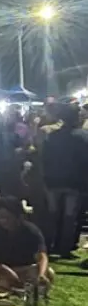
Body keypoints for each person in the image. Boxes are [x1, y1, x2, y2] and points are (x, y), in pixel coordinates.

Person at [41, 103, 88, 257]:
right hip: (74, 183)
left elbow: (45, 159)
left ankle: (49, 245)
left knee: (53, 215)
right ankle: (65, 248)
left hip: (53, 181)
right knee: (69, 217)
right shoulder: (82, 136)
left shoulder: (52, 136)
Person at [0, 196, 53, 290]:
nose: (3, 221)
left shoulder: (31, 231)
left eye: (7, 217)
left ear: (19, 217)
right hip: (0, 269)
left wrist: (42, 275)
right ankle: (16, 285)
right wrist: (4, 270)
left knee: (48, 272)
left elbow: (42, 256)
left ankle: (12, 284)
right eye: (1, 217)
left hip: (24, 268)